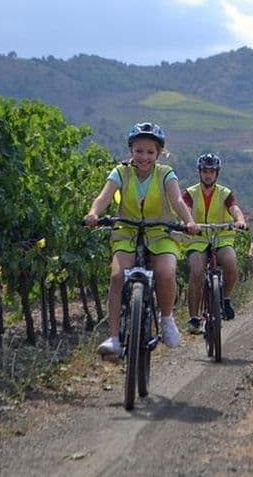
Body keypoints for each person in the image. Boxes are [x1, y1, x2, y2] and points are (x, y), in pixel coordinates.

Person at [84, 122, 199, 360]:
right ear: (130, 151)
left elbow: (177, 200)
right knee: (117, 277)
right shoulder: (120, 172)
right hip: (126, 231)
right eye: (139, 151)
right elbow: (104, 197)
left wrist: (188, 221)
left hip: (160, 233)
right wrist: (94, 213)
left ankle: (166, 319)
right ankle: (114, 337)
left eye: (150, 152)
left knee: (166, 273)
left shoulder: (165, 173)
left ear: (158, 153)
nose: (144, 157)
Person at [182, 153, 247, 334]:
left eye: (211, 171)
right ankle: (194, 318)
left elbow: (234, 208)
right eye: (204, 171)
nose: (207, 175)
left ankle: (225, 299)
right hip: (198, 238)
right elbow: (185, 209)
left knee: (231, 262)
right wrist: (186, 222)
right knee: (196, 271)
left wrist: (240, 220)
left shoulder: (225, 193)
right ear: (199, 172)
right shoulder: (190, 193)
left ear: (217, 173)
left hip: (221, 236)